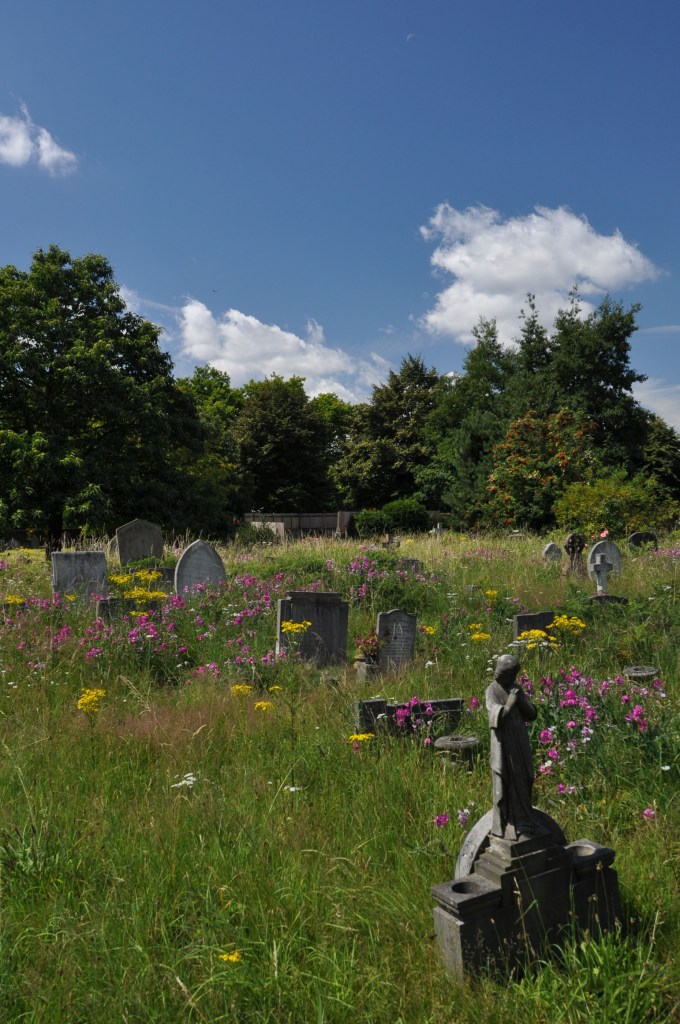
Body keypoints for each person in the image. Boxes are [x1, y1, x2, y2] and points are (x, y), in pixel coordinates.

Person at [486, 654, 539, 840]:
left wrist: (522, 700)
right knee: (510, 781)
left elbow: (531, 714)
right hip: (505, 744)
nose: (513, 679)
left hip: (520, 740)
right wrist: (509, 704)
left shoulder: (516, 689)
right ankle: (514, 825)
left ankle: (525, 820)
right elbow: (495, 718)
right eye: (510, 674)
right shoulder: (492, 690)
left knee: (525, 777)